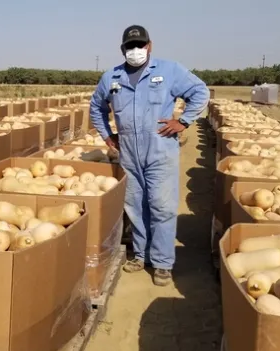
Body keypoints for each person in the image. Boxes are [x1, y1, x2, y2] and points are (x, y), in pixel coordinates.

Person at [89, 25, 209, 286]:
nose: (135, 51)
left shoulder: (169, 70)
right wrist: (108, 137)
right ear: (122, 49)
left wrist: (184, 121)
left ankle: (163, 263)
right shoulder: (111, 77)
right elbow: (96, 108)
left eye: (140, 45)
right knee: (134, 206)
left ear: (149, 46)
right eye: (130, 47)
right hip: (129, 153)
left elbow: (200, 92)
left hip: (160, 150)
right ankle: (140, 255)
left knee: (162, 207)